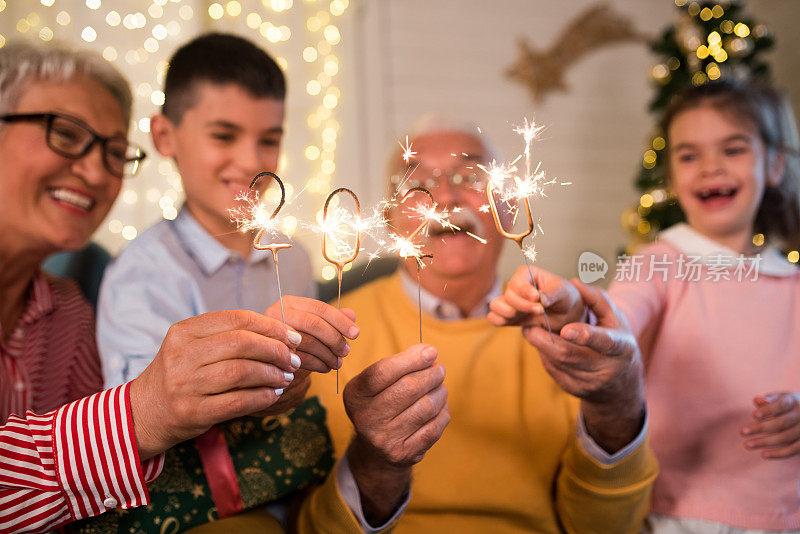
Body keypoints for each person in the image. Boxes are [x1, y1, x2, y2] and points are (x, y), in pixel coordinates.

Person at [96, 33, 448, 532]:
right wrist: (262, 360)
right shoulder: (142, 275)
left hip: (294, 492)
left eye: (269, 138)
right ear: (164, 136)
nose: (249, 161)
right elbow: (137, 429)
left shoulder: (295, 259)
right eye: (223, 136)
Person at [0, 42, 305, 532]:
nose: (97, 171)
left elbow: (92, 514)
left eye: (114, 151)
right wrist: (147, 410)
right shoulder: (140, 274)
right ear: (166, 137)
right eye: (65, 134)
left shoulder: (69, 316)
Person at [306, 115, 658, 533]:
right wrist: (374, 465)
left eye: (470, 176)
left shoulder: (563, 335)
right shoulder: (332, 336)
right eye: (418, 181)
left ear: (510, 208)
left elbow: (607, 528)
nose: (445, 196)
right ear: (389, 217)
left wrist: (616, 405)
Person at [491, 79, 800, 532]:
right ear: (672, 178)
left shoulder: (791, 283)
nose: (710, 168)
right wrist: (568, 305)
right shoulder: (656, 264)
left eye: (732, 149)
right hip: (681, 516)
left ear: (773, 165)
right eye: (689, 155)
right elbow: (614, 325)